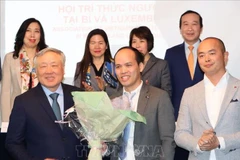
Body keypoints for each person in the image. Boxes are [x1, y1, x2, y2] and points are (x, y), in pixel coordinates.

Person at [5, 48, 88, 160]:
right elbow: (13, 143)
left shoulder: (80, 96)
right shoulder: (23, 102)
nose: (49, 71)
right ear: (36, 71)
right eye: (43, 66)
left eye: (54, 65)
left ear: (63, 69)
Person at [175, 37, 240, 160]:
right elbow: (180, 133)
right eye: (201, 55)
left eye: (212, 53)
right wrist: (199, 144)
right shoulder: (190, 93)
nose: (207, 59)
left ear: (225, 56)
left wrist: (220, 141)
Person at [109, 46, 175, 160]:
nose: (123, 71)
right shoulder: (112, 99)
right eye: (118, 67)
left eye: (128, 65)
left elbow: (168, 140)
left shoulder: (159, 97)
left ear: (140, 66)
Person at [164, 10, 204, 160]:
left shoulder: (210, 52)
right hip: (180, 120)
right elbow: (168, 87)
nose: (190, 28)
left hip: (206, 119)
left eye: (194, 24)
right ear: (180, 29)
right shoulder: (171, 53)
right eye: (185, 24)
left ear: (201, 27)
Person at [1, 18, 48, 122]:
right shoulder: (11, 58)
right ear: (22, 33)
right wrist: (5, 121)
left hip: (43, 112)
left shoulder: (46, 57)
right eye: (28, 30)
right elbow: (6, 91)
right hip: (18, 111)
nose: (32, 35)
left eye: (36, 31)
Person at [74, 29, 119, 96]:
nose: (97, 47)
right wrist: (86, 92)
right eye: (93, 43)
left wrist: (104, 89)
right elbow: (76, 92)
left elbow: (121, 91)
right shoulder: (81, 66)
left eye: (100, 43)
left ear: (106, 46)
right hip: (88, 105)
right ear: (88, 46)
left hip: (112, 105)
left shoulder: (115, 65)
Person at [129, 26, 171, 97]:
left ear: (149, 43)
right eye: (134, 42)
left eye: (142, 41)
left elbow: (166, 93)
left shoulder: (161, 65)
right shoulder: (128, 65)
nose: (137, 45)